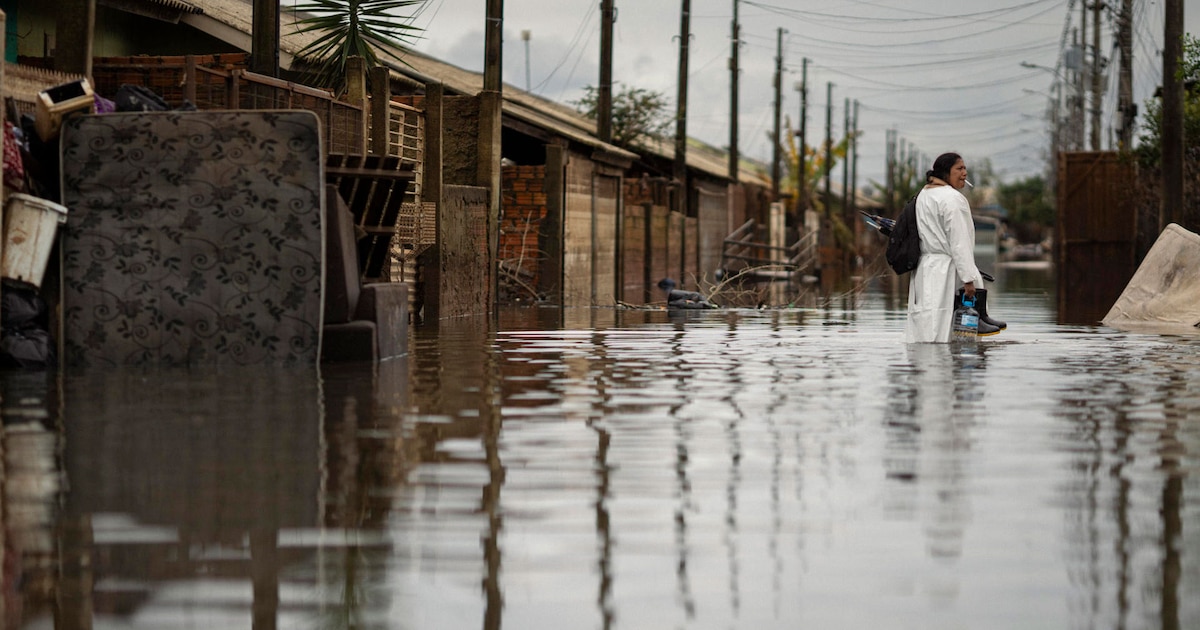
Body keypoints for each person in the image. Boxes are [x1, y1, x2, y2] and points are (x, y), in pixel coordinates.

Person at [904, 152, 999, 343]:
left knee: (928, 323)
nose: (964, 173)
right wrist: (968, 279)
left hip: (926, 269)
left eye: (965, 168)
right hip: (949, 269)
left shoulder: (923, 195)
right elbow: (959, 241)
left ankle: (929, 365)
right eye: (959, 168)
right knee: (953, 328)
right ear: (946, 172)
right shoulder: (952, 199)